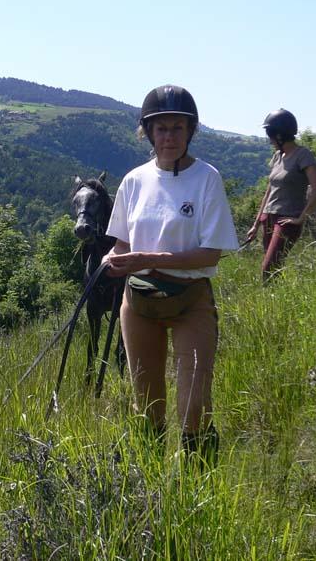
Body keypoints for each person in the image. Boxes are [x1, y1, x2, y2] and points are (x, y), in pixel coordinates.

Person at [105, 84, 239, 463]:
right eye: (161, 128)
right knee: (146, 404)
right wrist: (108, 262)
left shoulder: (206, 179)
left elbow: (210, 253)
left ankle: (197, 485)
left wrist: (145, 257)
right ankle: (149, 487)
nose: (169, 137)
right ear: (148, 133)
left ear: (190, 131)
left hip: (190, 299)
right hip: (140, 302)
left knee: (194, 403)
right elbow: (120, 246)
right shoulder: (134, 181)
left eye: (177, 128)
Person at [245, 108, 316, 281]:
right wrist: (256, 223)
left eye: (270, 134)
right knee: (273, 268)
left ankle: (270, 302)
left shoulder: (302, 155)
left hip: (287, 220)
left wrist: (301, 218)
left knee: (269, 268)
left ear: (279, 135)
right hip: (269, 217)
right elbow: (269, 190)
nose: (269, 139)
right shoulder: (277, 156)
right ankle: (275, 301)